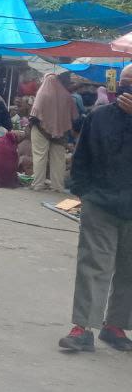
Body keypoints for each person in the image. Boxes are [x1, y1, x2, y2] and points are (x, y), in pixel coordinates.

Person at [58, 65, 132, 353]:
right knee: (94, 264)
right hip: (100, 202)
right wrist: (84, 192)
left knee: (129, 270)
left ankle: (115, 326)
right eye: (124, 84)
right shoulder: (99, 117)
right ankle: (83, 327)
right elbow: (81, 156)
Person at [29, 72, 77, 192]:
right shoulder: (67, 95)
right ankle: (57, 186)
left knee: (40, 156)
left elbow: (35, 113)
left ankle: (38, 184)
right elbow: (74, 115)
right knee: (59, 159)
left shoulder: (42, 92)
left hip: (40, 129)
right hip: (61, 130)